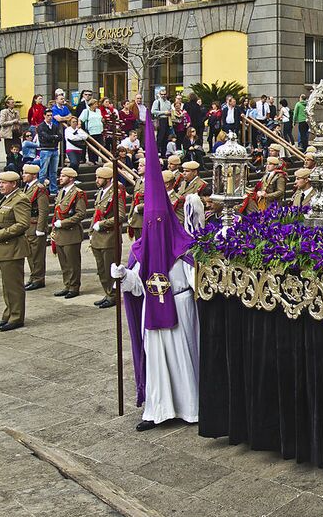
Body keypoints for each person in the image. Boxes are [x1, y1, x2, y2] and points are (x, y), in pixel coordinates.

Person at [112, 114, 199, 432]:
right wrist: (123, 274)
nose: (154, 229)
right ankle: (156, 409)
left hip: (180, 308)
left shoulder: (183, 246)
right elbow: (136, 284)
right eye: (150, 224)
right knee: (157, 361)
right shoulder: (141, 250)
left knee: (181, 360)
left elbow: (197, 281)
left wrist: (193, 288)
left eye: (159, 223)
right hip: (153, 311)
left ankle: (190, 408)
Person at [0, 171, 30, 332]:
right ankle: (8, 314)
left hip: (12, 248)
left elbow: (22, 224)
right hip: (4, 248)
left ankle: (16, 317)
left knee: (14, 285)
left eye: (4, 182)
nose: (0, 185)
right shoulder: (9, 198)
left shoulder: (20, 199)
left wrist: (1, 234)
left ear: (13, 184)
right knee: (7, 284)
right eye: (0, 182)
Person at [89, 166, 126, 309]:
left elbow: (120, 216)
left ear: (108, 179)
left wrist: (102, 224)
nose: (97, 180)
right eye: (97, 177)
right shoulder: (101, 193)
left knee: (109, 268)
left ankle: (113, 295)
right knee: (101, 269)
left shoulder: (115, 193)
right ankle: (108, 293)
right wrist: (92, 230)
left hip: (109, 237)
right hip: (98, 237)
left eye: (100, 178)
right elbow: (96, 213)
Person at [51, 167, 87, 298]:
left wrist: (64, 223)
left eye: (63, 176)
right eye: (60, 175)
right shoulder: (61, 192)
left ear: (71, 178)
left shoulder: (78, 193)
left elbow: (81, 214)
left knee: (72, 263)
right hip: (60, 233)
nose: (60, 178)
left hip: (71, 233)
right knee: (64, 263)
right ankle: (67, 285)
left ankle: (74, 287)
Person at [22, 164, 49, 291]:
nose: (23, 175)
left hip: (35, 225)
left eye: (26, 173)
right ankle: (33, 277)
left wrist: (40, 228)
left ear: (33, 175)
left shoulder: (40, 189)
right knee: (31, 255)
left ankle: (38, 278)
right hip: (28, 225)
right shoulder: (27, 187)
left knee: (37, 255)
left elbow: (43, 210)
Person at [37, 110, 62, 194]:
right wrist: (54, 137)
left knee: (53, 171)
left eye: (51, 115)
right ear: (44, 116)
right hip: (45, 149)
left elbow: (60, 136)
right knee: (43, 171)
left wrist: (53, 137)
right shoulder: (41, 126)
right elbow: (45, 137)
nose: (50, 117)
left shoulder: (54, 126)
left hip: (54, 149)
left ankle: (53, 189)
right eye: (48, 115)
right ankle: (40, 189)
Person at [80, 99, 105, 165]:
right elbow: (80, 119)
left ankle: (96, 159)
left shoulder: (98, 111)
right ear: (91, 105)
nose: (96, 105)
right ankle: (92, 160)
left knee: (99, 145)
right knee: (91, 146)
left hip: (99, 130)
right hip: (91, 131)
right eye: (95, 104)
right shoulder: (86, 111)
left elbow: (100, 118)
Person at [128, 157, 146, 240]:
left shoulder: (151, 181)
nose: (138, 167)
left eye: (141, 165)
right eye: (138, 165)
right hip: (136, 219)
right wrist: (130, 215)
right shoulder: (138, 181)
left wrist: (139, 208)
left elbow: (152, 201)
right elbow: (134, 200)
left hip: (145, 219)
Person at [151, 88, 172, 155]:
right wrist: (163, 112)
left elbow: (170, 110)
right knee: (160, 137)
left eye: (164, 94)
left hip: (167, 120)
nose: (163, 96)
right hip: (160, 119)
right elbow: (153, 111)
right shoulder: (157, 102)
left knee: (166, 137)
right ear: (159, 95)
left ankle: (163, 152)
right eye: (162, 94)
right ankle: (157, 152)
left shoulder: (168, 102)